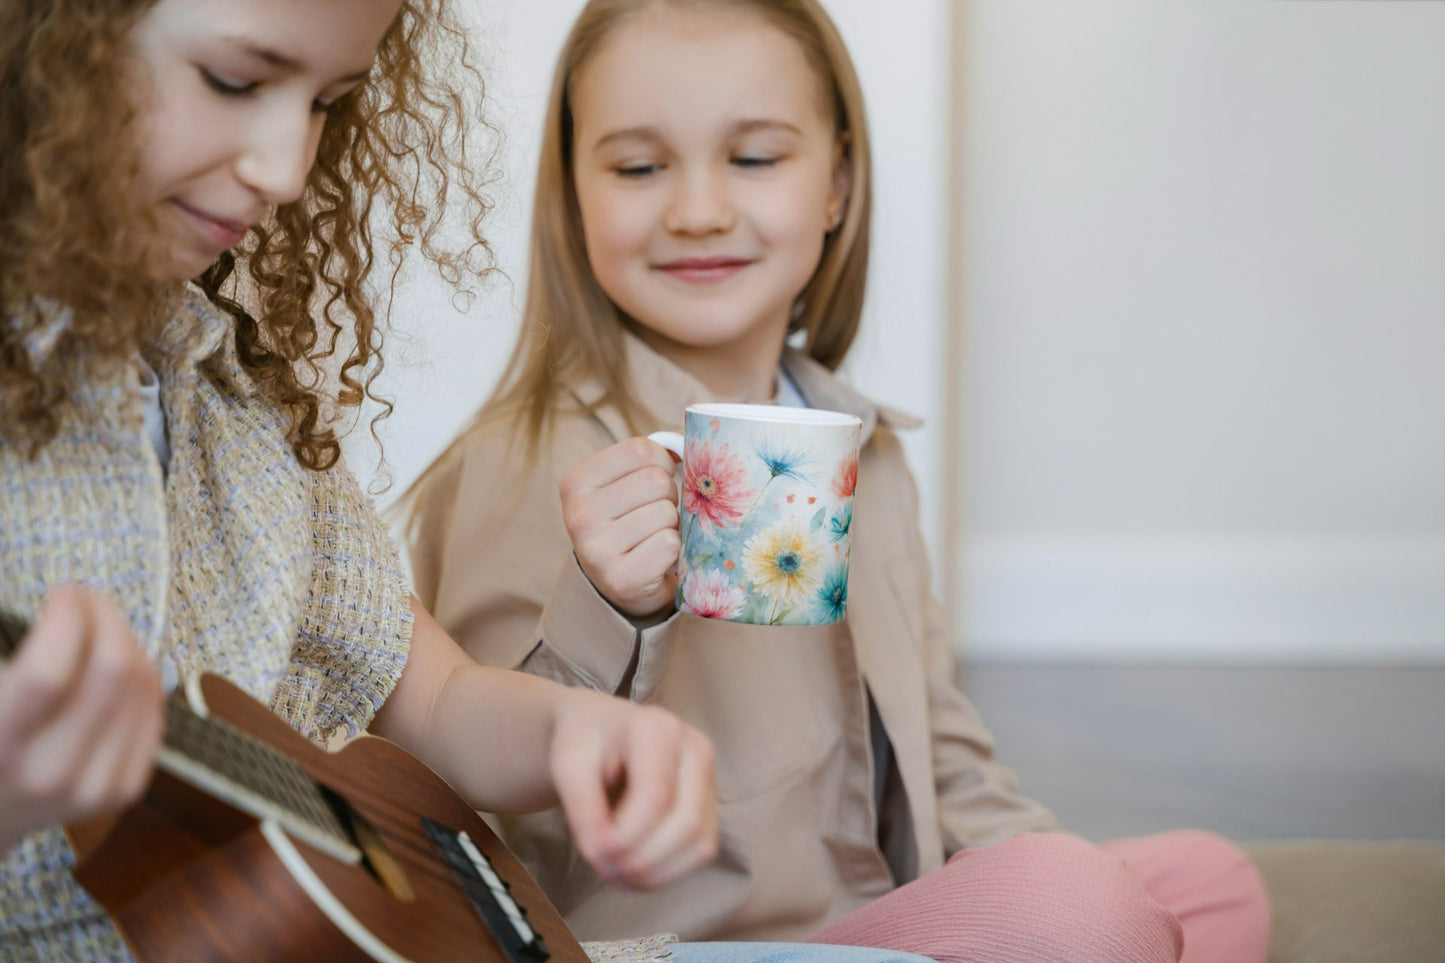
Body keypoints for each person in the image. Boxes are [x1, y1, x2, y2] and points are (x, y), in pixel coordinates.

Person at [0, 3, 932, 962]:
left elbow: (441, 702)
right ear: (46, 48)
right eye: (234, 82)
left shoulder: (237, 406)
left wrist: (579, 730)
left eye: (329, 101)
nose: (285, 169)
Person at [402, 1, 1273, 961]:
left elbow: (941, 748)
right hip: (676, 947)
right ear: (573, 196)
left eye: (755, 158)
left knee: (1199, 879)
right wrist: (604, 606)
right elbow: (471, 815)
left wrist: (1056, 875)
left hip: (872, 921)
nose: (697, 209)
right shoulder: (523, 462)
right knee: (1078, 905)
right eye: (639, 167)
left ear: (835, 186)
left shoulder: (871, 456)